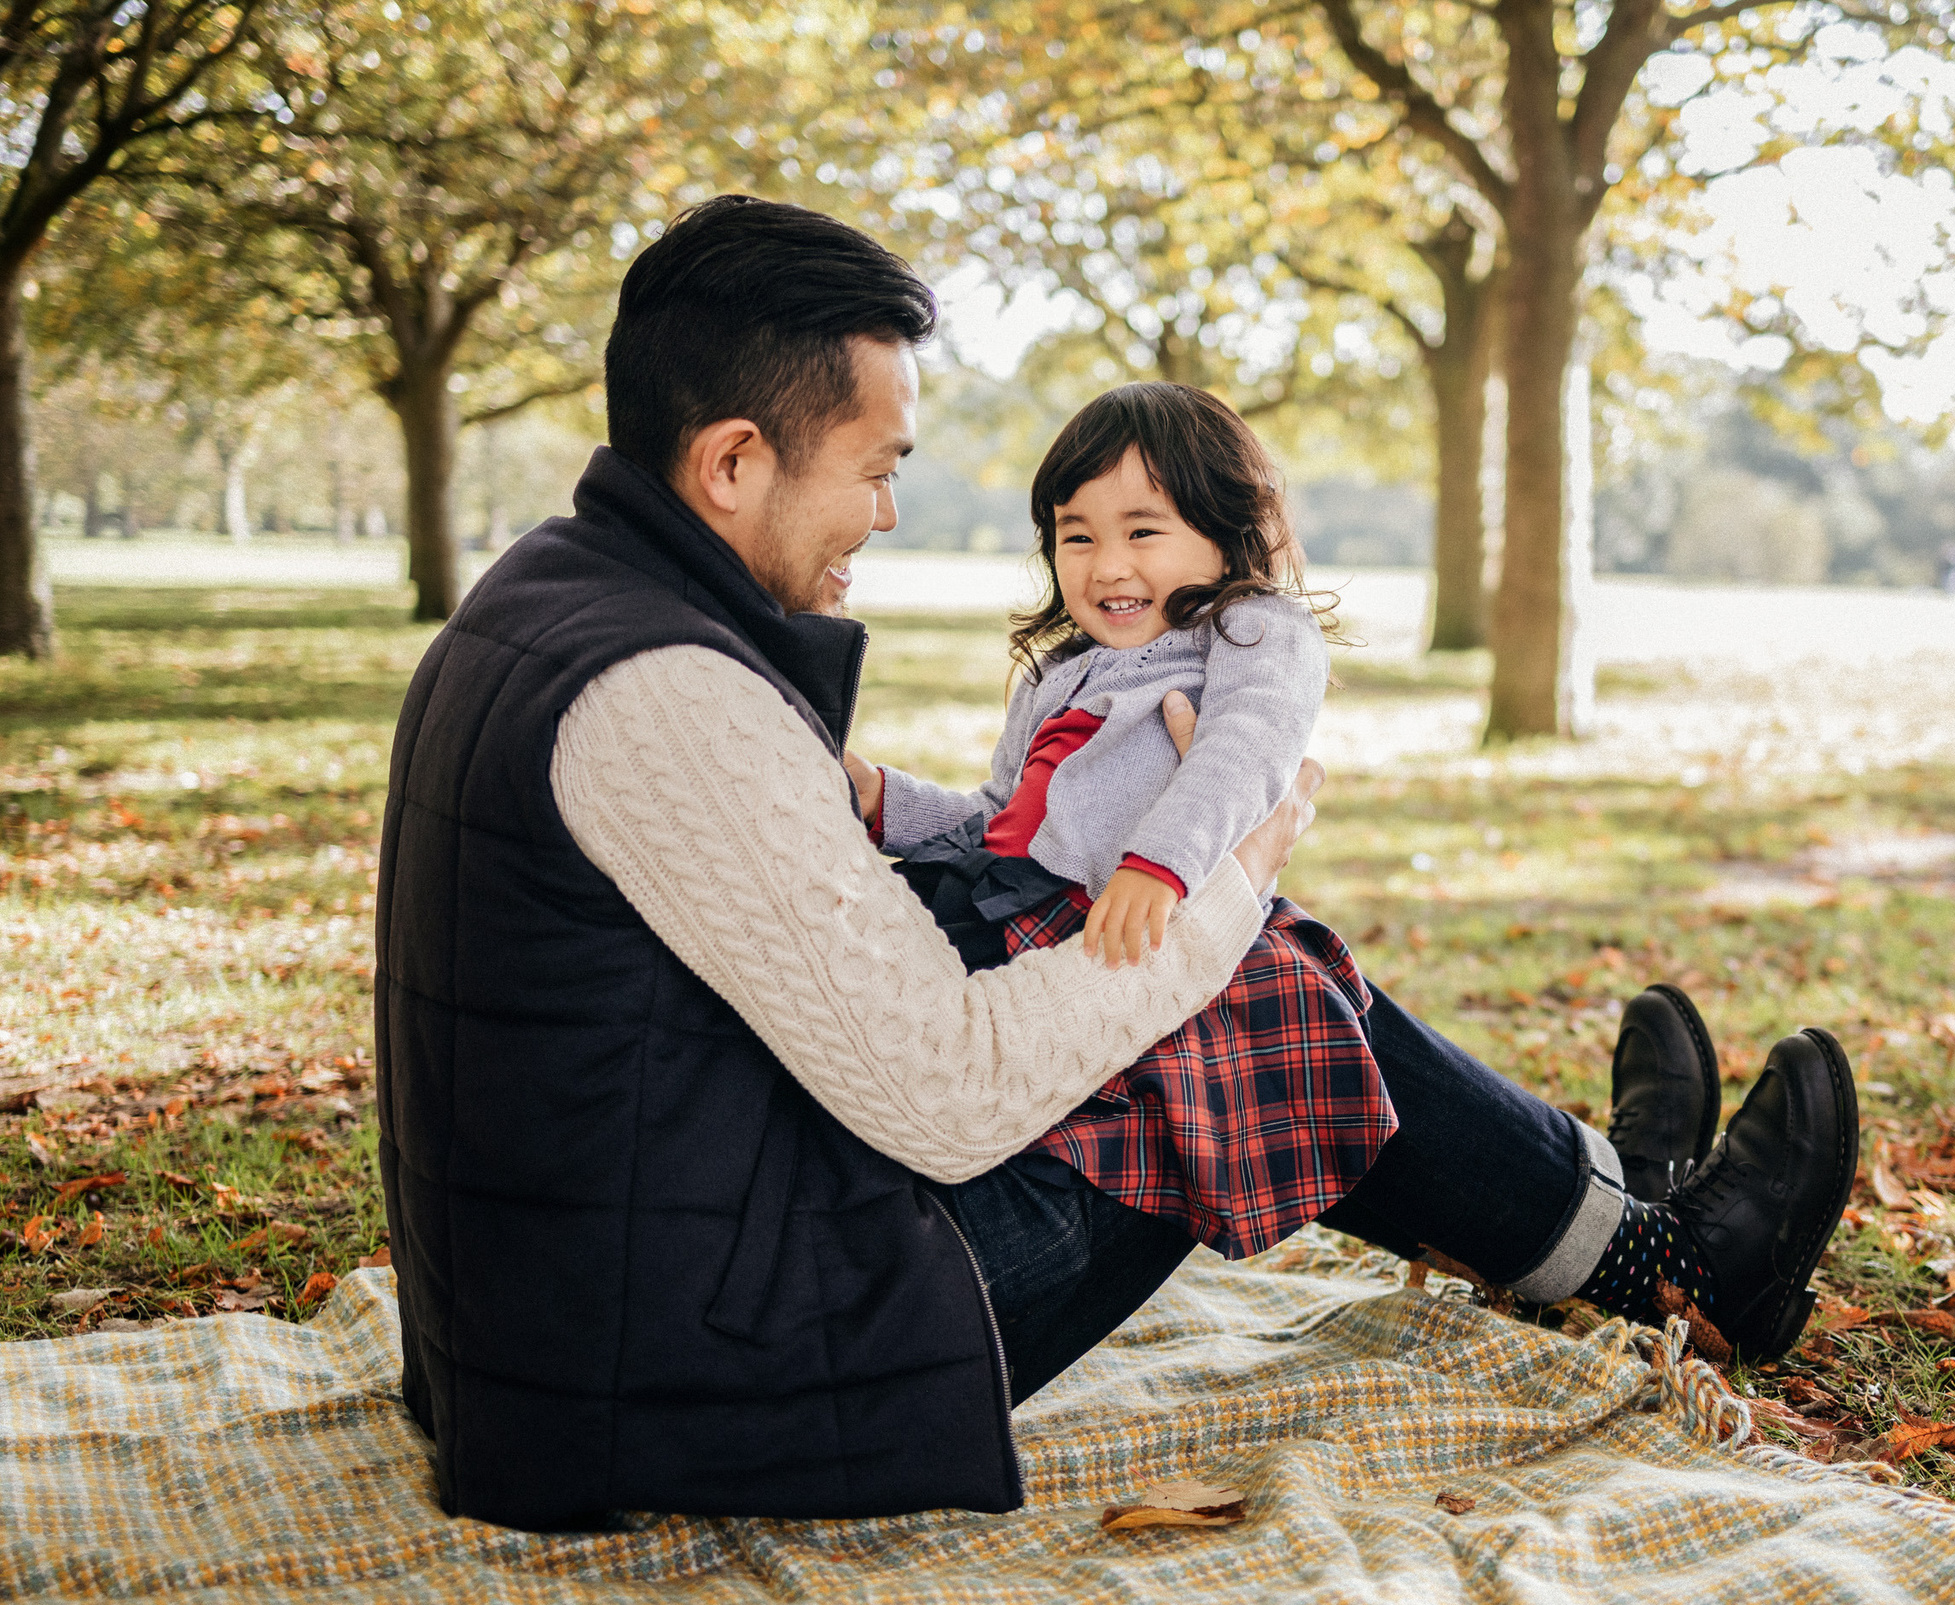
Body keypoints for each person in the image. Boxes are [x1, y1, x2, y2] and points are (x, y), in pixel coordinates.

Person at [375, 194, 1862, 1534]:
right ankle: (1667, 1254)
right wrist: (1218, 899)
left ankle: (1620, 1206)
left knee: (1206, 971)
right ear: (732, 461)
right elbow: (946, 1097)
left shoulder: (547, 598)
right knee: (1250, 988)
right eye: (876, 469)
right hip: (704, 1369)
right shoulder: (669, 696)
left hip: (574, 1315)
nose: (888, 515)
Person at [853, 382, 1390, 1268]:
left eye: (1143, 531)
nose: (1107, 566)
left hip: (1123, 918)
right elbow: (998, 821)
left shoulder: (1254, 632)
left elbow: (1244, 755)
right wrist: (885, 799)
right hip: (1010, 908)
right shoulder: (1058, 672)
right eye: (1078, 536)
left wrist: (1159, 864)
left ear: (1223, 529)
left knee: (1326, 1039)